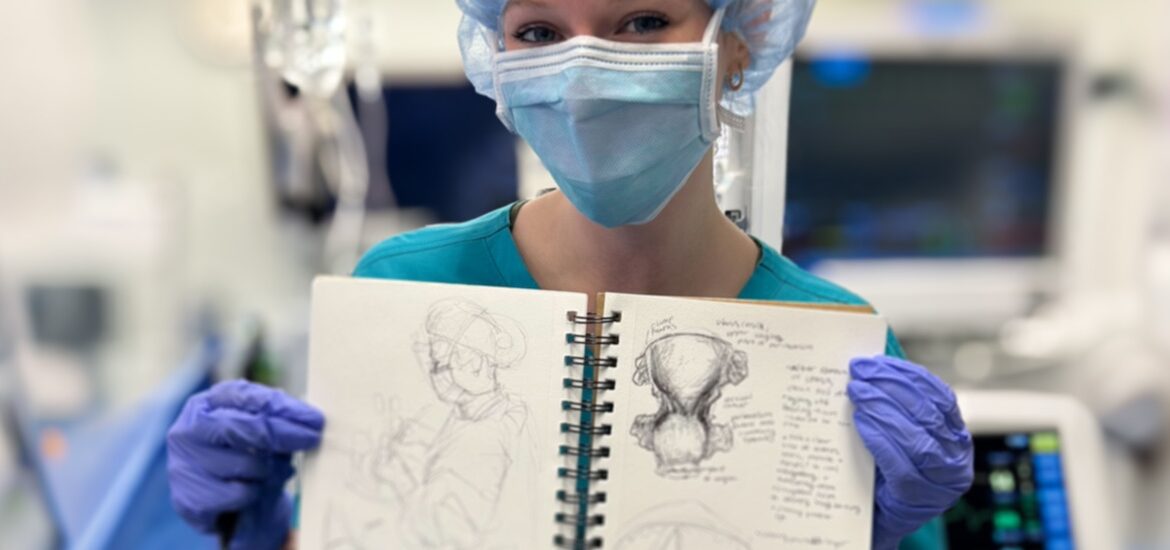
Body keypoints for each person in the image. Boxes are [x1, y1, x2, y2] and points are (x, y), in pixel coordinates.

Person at [166, 1, 974, 549]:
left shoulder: (836, 349)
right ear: (496, 59)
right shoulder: (403, 291)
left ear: (738, 44)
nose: (583, 71)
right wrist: (261, 529)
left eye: (643, 21)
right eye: (539, 31)